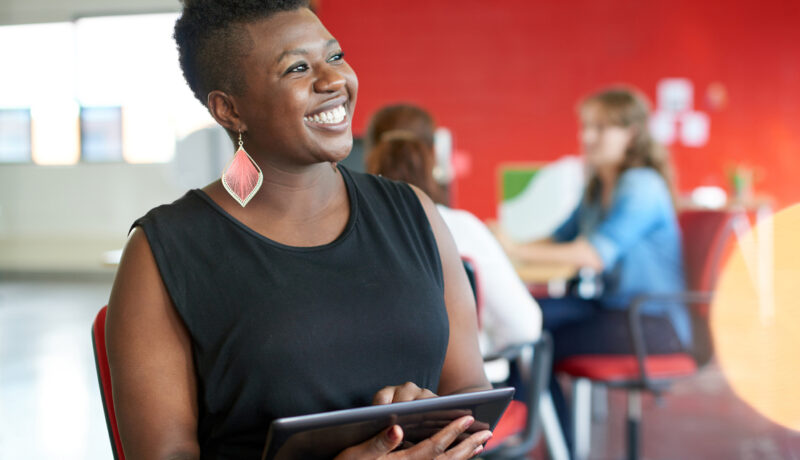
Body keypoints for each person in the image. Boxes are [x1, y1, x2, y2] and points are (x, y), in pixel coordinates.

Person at [105, 2, 492, 459]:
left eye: (334, 56)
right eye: (297, 68)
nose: (334, 81)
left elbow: (469, 390)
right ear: (229, 109)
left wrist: (437, 421)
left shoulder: (415, 213)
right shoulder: (161, 253)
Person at [502, 86, 689, 355]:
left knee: (533, 339)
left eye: (600, 128)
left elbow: (594, 256)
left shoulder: (642, 186)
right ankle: (541, 399)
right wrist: (503, 246)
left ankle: (539, 399)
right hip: (611, 307)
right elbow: (558, 237)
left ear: (631, 134)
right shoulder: (598, 186)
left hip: (651, 321)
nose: (587, 136)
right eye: (586, 127)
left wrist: (514, 249)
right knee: (517, 318)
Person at [363, 108, 541, 371]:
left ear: (369, 156)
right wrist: (484, 342)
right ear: (434, 154)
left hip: (375, 399)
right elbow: (525, 327)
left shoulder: (348, 231)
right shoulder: (462, 227)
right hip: (466, 391)